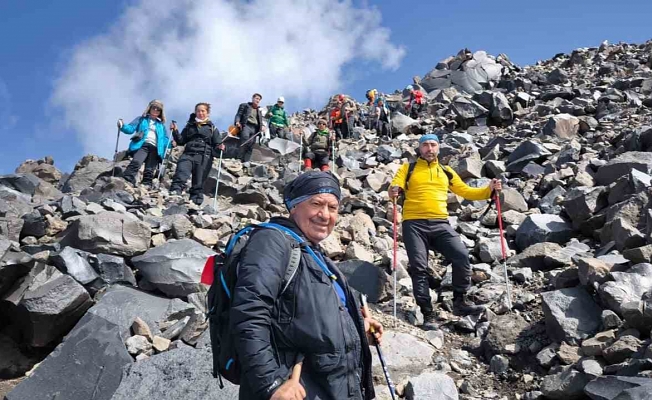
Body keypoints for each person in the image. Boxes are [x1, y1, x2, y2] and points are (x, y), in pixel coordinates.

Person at [232, 171, 382, 400]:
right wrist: (270, 385)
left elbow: (309, 320)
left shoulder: (315, 255)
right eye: (316, 204)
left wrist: (358, 329)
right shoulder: (272, 241)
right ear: (293, 207)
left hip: (332, 388)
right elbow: (250, 314)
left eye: (333, 208)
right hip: (295, 390)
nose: (325, 215)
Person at [388, 134, 502, 330]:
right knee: (419, 267)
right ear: (419, 148)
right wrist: (393, 191)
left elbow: (466, 191)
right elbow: (394, 187)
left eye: (433, 145)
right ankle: (427, 313)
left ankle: (459, 301)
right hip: (413, 223)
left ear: (438, 148)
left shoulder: (446, 171)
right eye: (425, 145)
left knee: (461, 256)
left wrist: (489, 190)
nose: (429, 149)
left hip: (440, 223)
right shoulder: (408, 168)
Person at [169, 103, 224, 205]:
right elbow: (181, 141)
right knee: (182, 171)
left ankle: (195, 202)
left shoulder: (212, 128)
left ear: (207, 113)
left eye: (203, 111)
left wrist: (220, 146)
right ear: (195, 112)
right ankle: (175, 192)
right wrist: (175, 131)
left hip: (204, 155)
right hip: (188, 153)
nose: (200, 113)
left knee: (199, 180)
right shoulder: (190, 126)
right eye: (198, 111)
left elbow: (217, 143)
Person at [117, 99, 170, 188]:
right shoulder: (141, 120)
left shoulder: (161, 125)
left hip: (156, 148)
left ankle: (147, 184)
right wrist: (122, 126)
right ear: (150, 108)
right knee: (137, 161)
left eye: (158, 109)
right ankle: (127, 179)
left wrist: (172, 143)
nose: (156, 110)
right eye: (154, 107)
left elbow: (164, 139)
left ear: (161, 112)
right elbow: (130, 128)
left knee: (150, 168)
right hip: (142, 144)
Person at [234, 93, 266, 162]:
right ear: (253, 98)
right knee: (244, 139)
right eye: (256, 98)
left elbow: (260, 120)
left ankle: (246, 161)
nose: (258, 100)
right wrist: (237, 122)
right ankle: (238, 158)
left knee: (251, 144)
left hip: (255, 129)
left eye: (259, 99)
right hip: (246, 125)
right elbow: (238, 115)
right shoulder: (245, 105)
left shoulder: (259, 111)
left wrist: (262, 126)